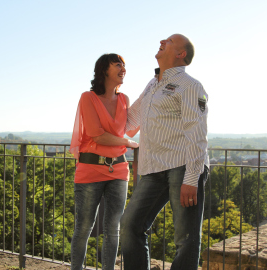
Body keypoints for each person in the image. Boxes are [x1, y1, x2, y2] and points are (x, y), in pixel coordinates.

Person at [120, 34, 209, 270]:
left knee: (186, 238)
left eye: (169, 41)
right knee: (130, 226)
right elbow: (129, 122)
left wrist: (192, 178)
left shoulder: (191, 85)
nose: (162, 40)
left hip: (183, 167)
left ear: (181, 54)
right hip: (154, 169)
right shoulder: (153, 84)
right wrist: (105, 94)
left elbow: (197, 134)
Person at [69, 53, 139, 270]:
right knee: (84, 228)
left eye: (124, 65)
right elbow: (97, 135)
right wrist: (128, 142)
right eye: (118, 64)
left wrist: (150, 111)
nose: (123, 68)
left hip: (118, 169)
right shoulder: (87, 97)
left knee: (113, 229)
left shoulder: (124, 100)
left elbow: (127, 129)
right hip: (90, 169)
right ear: (104, 70)